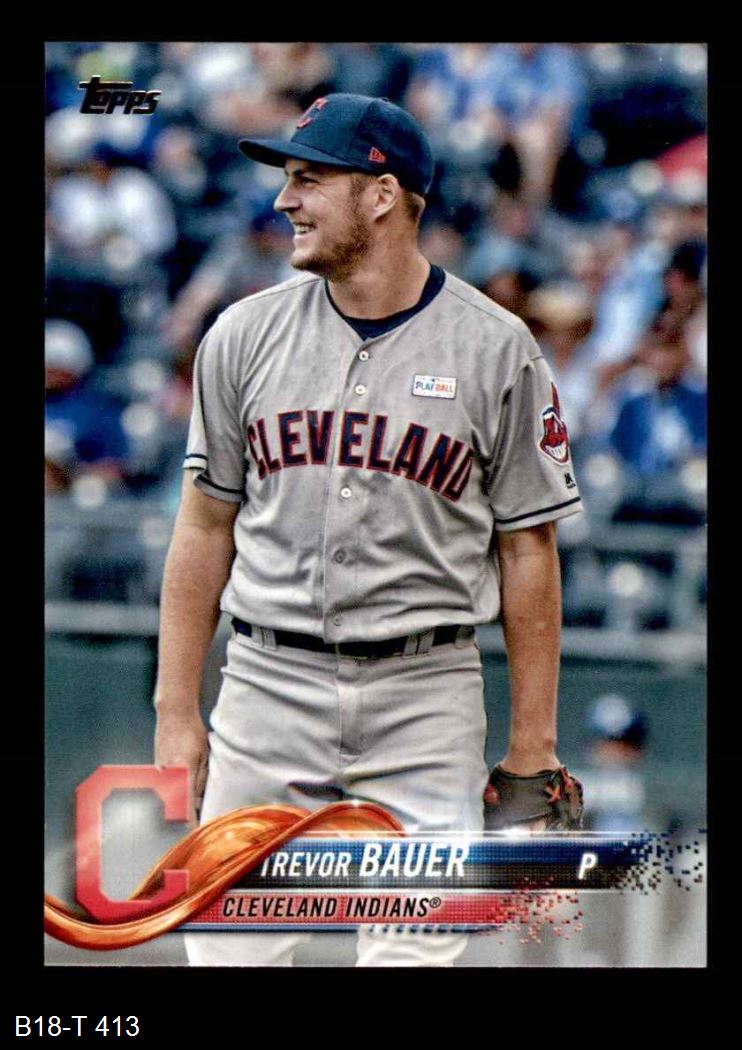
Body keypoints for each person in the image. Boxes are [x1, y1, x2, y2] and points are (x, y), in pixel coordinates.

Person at [153, 93, 584, 967]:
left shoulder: (496, 348)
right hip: (267, 684)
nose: (285, 199)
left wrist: (532, 746)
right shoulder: (243, 335)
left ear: (382, 195)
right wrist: (175, 708)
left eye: (310, 178)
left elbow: (528, 549)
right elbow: (202, 525)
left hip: (425, 693)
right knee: (228, 956)